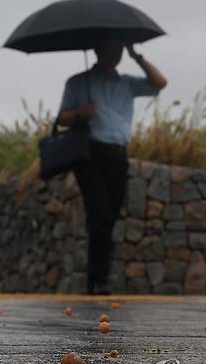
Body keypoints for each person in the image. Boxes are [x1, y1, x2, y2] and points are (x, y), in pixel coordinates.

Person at [58, 39, 167, 295]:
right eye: (110, 48)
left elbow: (160, 83)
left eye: (118, 49)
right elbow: (61, 118)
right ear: (97, 49)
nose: (114, 53)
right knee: (99, 213)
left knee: (110, 216)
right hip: (89, 154)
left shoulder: (127, 83)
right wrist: (79, 114)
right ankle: (98, 279)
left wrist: (136, 56)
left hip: (118, 155)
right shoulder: (78, 82)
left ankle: (100, 276)